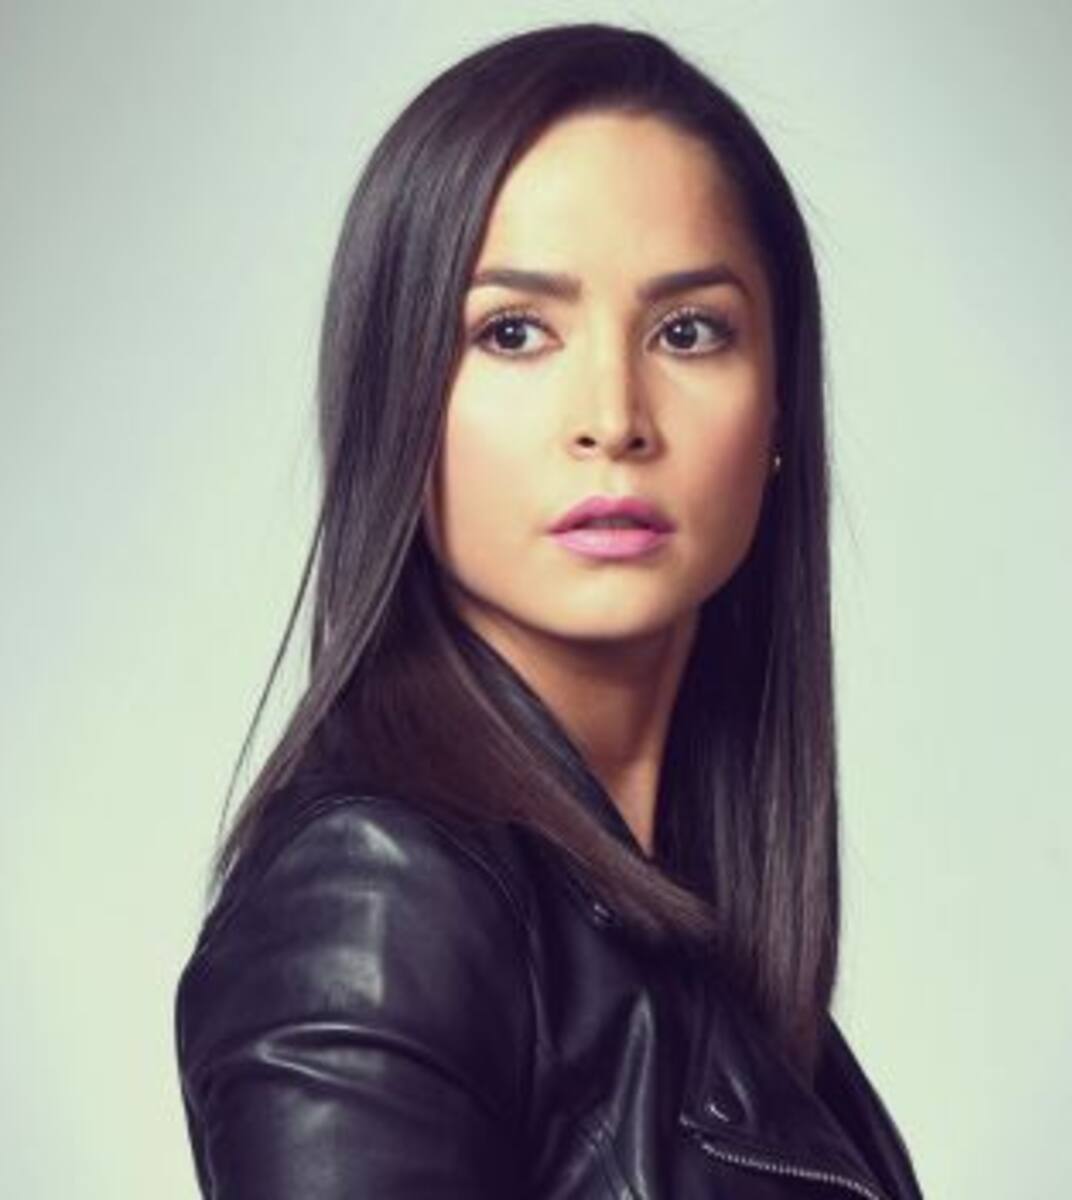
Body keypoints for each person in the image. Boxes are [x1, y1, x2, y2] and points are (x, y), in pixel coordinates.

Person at [174, 21, 924, 1199]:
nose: (613, 417)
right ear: (397, 398)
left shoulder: (698, 945)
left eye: (688, 331)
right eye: (513, 332)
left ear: (779, 409)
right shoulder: (375, 901)